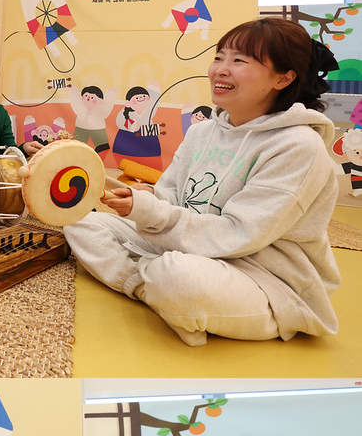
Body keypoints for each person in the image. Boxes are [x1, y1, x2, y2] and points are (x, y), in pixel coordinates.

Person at [66, 18, 341, 345]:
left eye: (239, 60)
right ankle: (149, 287)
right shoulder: (202, 132)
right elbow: (169, 199)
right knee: (77, 219)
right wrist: (147, 200)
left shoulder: (298, 146)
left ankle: (166, 287)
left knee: (179, 277)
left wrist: (155, 215)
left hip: (261, 277)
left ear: (283, 77)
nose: (221, 69)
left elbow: (239, 234)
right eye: (219, 57)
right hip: (182, 250)